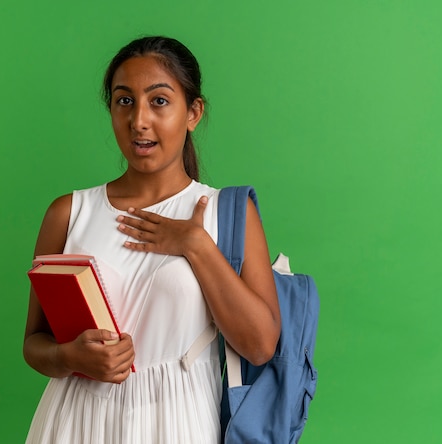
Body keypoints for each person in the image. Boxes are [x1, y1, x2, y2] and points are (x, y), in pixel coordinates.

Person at [23, 36, 280, 444]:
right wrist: (68, 356)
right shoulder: (68, 213)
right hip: (74, 422)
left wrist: (195, 245)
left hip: (176, 423)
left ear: (193, 112)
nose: (139, 120)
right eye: (124, 101)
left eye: (159, 101)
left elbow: (261, 345)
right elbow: (34, 343)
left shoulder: (224, 213)